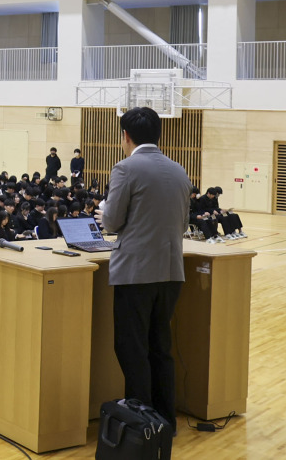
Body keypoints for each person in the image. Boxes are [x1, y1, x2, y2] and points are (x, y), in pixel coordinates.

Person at [98, 106, 191, 428]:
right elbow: (183, 224)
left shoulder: (126, 168)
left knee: (132, 348)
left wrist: (103, 212)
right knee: (160, 348)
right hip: (171, 272)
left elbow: (112, 222)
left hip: (136, 273)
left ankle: (143, 425)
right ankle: (165, 422)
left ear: (125, 136)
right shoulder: (179, 170)